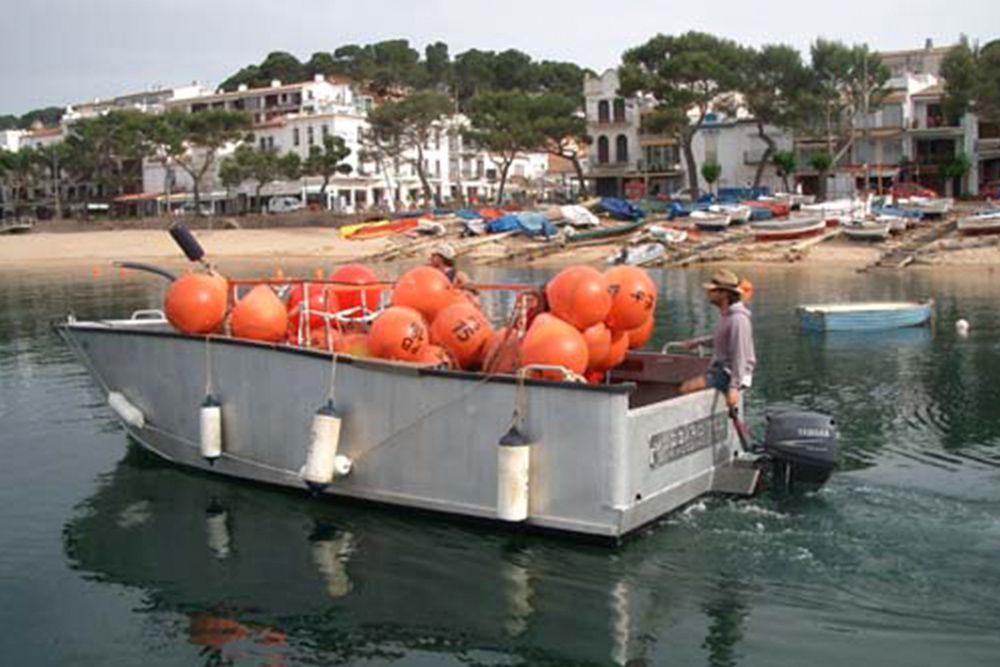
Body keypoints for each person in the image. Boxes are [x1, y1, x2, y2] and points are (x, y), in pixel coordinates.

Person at [680, 268, 756, 410]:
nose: (708, 293)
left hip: (729, 374)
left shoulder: (738, 319)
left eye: (712, 290)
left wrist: (734, 387)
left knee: (687, 388)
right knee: (687, 386)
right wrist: (698, 342)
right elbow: (721, 338)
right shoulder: (728, 316)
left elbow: (740, 353)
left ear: (724, 294)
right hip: (722, 371)